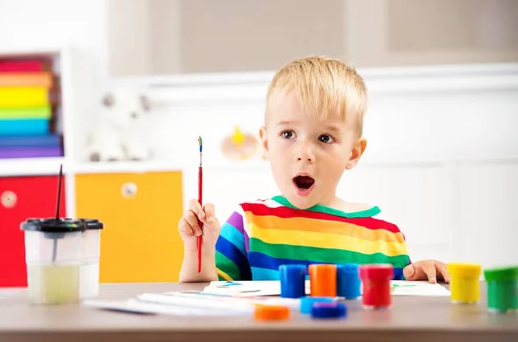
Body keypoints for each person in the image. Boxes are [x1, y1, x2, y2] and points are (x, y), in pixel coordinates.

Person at [178, 56, 449, 284]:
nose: (304, 154)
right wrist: (197, 251)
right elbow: (206, 302)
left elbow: (400, 309)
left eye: (324, 139)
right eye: (288, 133)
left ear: (353, 153)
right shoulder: (247, 224)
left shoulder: (384, 235)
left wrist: (424, 277)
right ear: (266, 144)